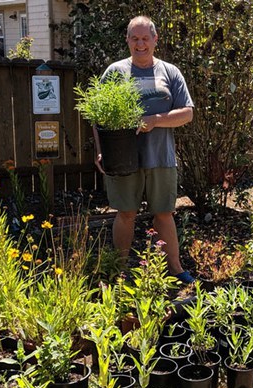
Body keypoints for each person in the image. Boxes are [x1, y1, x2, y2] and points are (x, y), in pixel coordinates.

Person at [95, 16, 195, 284]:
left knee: (164, 212)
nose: (140, 44)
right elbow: (98, 117)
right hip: (123, 158)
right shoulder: (115, 72)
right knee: (126, 212)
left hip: (160, 156)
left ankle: (175, 268)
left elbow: (187, 113)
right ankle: (120, 269)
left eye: (145, 38)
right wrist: (101, 150)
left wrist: (156, 121)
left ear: (155, 40)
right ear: (127, 40)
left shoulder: (170, 72)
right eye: (134, 38)